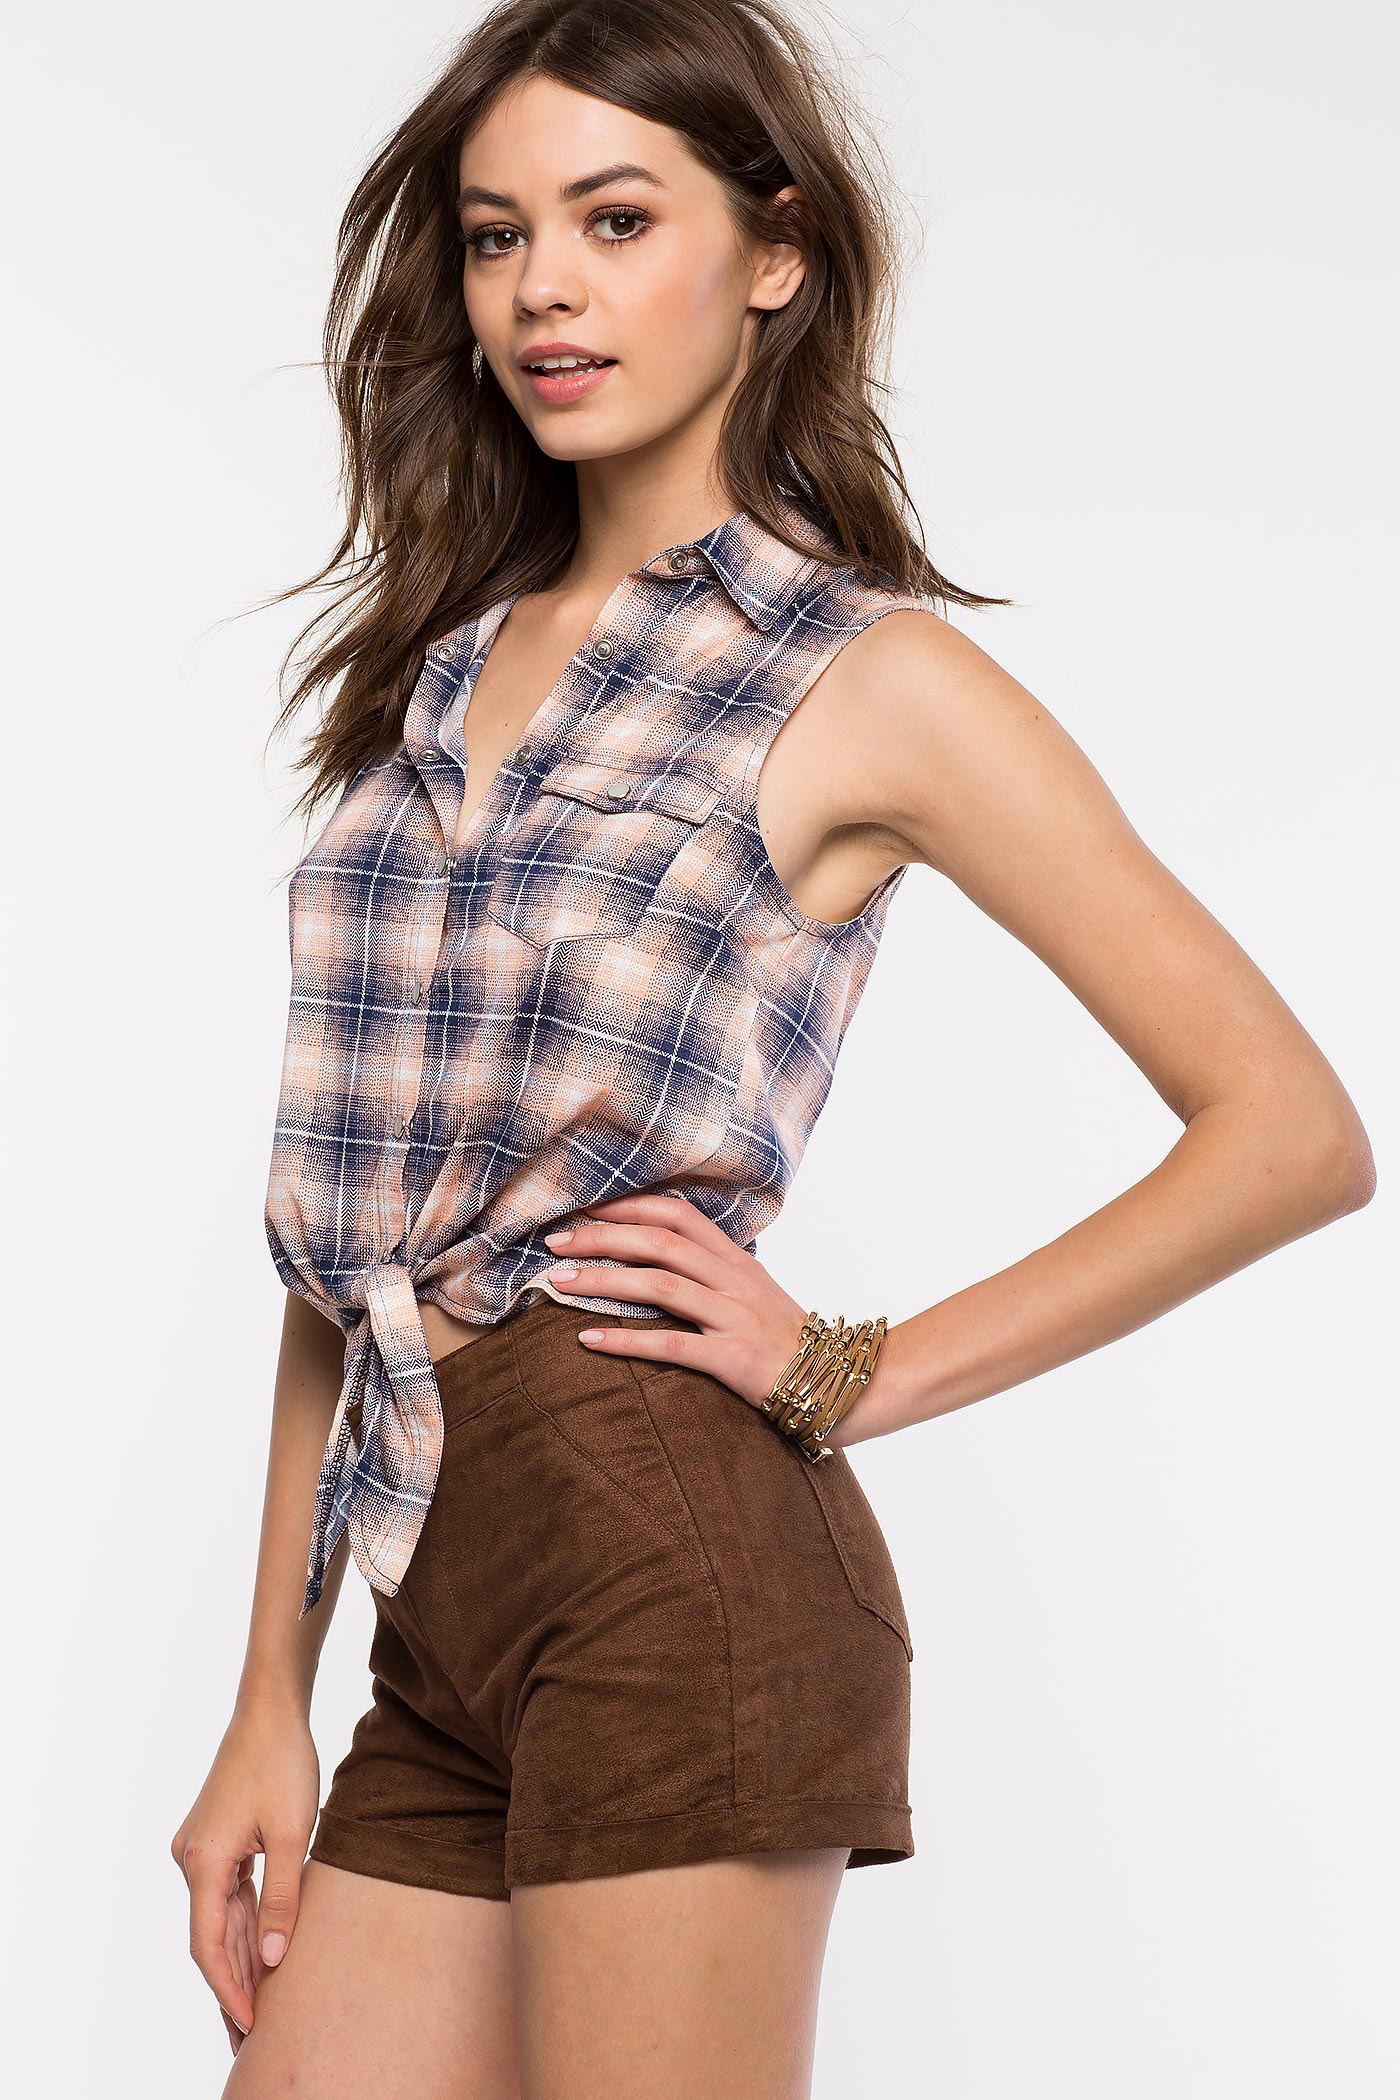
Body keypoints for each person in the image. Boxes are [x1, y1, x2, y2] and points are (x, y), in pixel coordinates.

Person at [170, 1, 1376, 2092]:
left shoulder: (865, 679)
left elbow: (1289, 1131)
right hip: (434, 1605)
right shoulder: (428, 681)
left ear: (776, 252)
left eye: (617, 219)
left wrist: (854, 1370)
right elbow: (349, 1254)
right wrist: (264, 1698)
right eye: (495, 235)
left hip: (674, 1576)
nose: (541, 288)